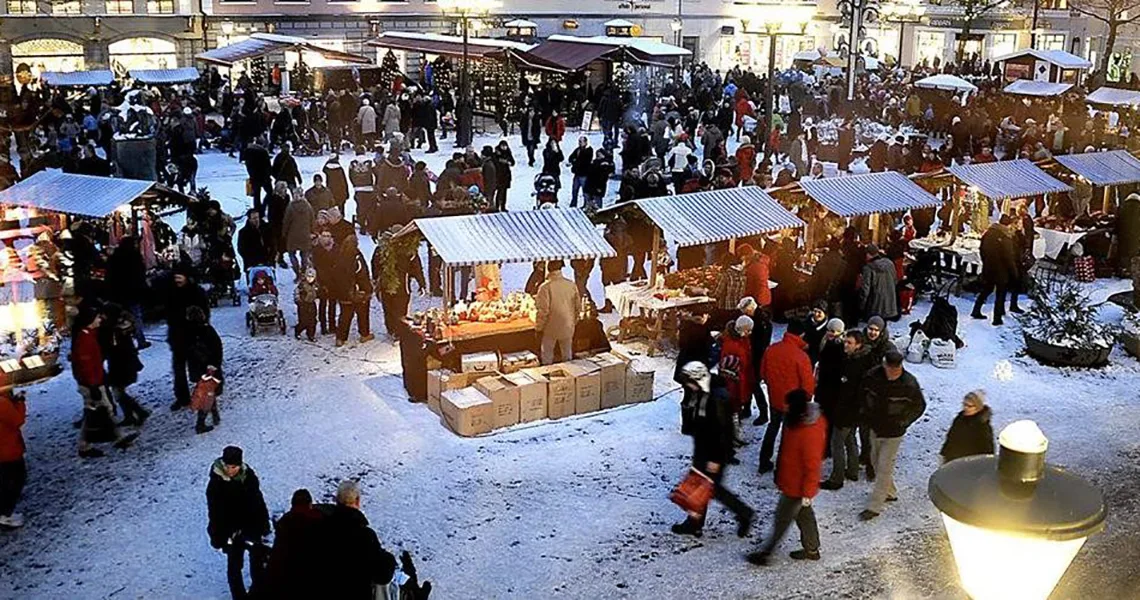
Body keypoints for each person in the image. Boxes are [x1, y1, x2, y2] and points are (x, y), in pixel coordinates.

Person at [671, 362, 754, 538]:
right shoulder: (703, 393)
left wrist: (716, 459)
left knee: (712, 488)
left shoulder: (717, 399)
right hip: (703, 448)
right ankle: (695, 523)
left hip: (713, 453)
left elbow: (722, 432)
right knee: (702, 486)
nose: (688, 386)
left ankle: (743, 514)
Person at [746, 389, 826, 565]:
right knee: (804, 514)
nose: (784, 407)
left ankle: (765, 553)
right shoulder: (802, 422)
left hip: (796, 486)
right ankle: (812, 549)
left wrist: (807, 492)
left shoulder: (805, 431)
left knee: (782, 520)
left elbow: (812, 466)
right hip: (793, 481)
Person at [859, 349, 926, 521]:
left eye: (896, 369)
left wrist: (904, 421)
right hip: (876, 428)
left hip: (894, 432)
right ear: (884, 365)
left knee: (884, 466)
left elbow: (919, 406)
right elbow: (863, 394)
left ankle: (875, 506)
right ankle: (890, 492)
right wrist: (865, 413)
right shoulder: (872, 377)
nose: (893, 373)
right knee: (874, 461)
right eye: (890, 368)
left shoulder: (909, 384)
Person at [206, 445, 271, 600]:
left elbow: (258, 501)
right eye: (227, 466)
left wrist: (263, 523)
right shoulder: (216, 484)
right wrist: (219, 536)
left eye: (233, 467)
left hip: (251, 526)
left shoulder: (249, 477)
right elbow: (215, 513)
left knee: (257, 561)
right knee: (234, 566)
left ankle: (258, 592)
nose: (230, 470)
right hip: (231, 532)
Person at [317, 480, 398, 599]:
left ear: (336, 500)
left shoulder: (320, 528)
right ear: (358, 501)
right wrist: (389, 559)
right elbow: (382, 575)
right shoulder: (365, 536)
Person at [72, 305, 135, 457]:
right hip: (91, 383)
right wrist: (93, 384)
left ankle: (115, 437)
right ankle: (88, 444)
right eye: (97, 317)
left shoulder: (88, 335)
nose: (100, 319)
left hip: (92, 381)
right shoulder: (85, 339)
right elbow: (86, 364)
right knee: (100, 410)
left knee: (97, 410)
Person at [820, 329, 876, 490]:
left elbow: (848, 392)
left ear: (858, 345)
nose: (845, 345)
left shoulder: (854, 365)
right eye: (845, 341)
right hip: (856, 411)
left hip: (847, 410)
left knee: (837, 442)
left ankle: (836, 478)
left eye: (849, 343)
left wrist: (840, 411)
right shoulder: (862, 359)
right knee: (850, 439)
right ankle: (852, 470)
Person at [758, 319, 816, 474]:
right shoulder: (801, 356)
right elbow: (807, 384)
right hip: (793, 402)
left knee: (772, 426)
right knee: (787, 435)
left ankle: (764, 460)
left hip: (774, 397)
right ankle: (781, 467)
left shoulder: (771, 349)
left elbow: (763, 373)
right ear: (802, 335)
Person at [265, 489, 324, 598]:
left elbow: (276, 559)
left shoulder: (284, 525)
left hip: (289, 582)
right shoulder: (320, 522)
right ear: (310, 504)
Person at [167, 266, 210, 411]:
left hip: (194, 336)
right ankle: (182, 397)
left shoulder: (197, 293)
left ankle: (203, 393)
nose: (177, 279)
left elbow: (204, 314)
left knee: (198, 368)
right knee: (178, 369)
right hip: (177, 336)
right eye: (175, 276)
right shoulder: (171, 293)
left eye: (180, 276)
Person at [372, 225, 425, 337]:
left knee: (390, 308)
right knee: (398, 309)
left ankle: (393, 330)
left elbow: (374, 265)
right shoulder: (408, 250)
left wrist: (376, 278)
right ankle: (396, 331)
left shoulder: (382, 249)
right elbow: (416, 268)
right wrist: (421, 283)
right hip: (399, 285)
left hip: (389, 284)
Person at [102, 305, 149, 427]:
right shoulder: (120, 329)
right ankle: (131, 415)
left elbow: (113, 348)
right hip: (123, 363)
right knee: (119, 391)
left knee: (118, 392)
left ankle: (139, 412)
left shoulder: (113, 331)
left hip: (121, 364)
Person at [972, 216, 1021, 326]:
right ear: (1007, 225)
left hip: (989, 266)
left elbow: (981, 249)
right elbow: (1008, 257)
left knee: (987, 289)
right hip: (1001, 270)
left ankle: (976, 309)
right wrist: (1014, 272)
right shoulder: (1005, 237)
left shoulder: (988, 233)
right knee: (1001, 293)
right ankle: (997, 318)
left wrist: (985, 261)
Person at [185, 306, 223, 434]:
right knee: (208, 395)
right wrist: (214, 364)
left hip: (197, 369)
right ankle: (201, 423)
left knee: (208, 392)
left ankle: (214, 413)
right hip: (209, 368)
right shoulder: (207, 330)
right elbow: (218, 348)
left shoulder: (187, 333)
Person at [535, 260, 580, 365]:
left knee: (547, 355)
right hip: (568, 326)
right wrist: (573, 322)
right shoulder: (571, 284)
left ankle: (548, 374)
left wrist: (538, 328)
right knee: (567, 355)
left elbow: (543, 311)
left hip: (551, 328)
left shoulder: (545, 287)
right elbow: (577, 307)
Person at [333, 235, 373, 347]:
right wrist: (367, 289)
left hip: (343, 293)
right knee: (363, 313)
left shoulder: (339, 256)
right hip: (357, 291)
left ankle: (341, 338)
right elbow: (362, 274)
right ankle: (364, 334)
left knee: (345, 316)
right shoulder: (357, 257)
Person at [718, 315, 754, 438]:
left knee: (736, 407)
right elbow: (730, 364)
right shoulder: (732, 344)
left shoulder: (740, 339)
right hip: (733, 381)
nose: (750, 333)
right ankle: (731, 435)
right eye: (748, 330)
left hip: (739, 379)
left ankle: (735, 433)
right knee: (732, 407)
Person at [940, 390, 995, 463]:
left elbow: (987, 451)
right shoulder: (960, 418)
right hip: (952, 460)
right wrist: (944, 453)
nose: (965, 408)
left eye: (969, 406)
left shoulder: (983, 427)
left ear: (978, 407)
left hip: (968, 464)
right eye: (964, 404)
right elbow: (951, 436)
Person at [0, 388, 26, 529]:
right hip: (8, 449)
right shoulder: (2, 403)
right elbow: (18, 420)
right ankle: (5, 514)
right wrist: (20, 403)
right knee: (16, 479)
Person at [860, 243, 898, 322]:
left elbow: (865, 290)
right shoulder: (890, 263)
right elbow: (895, 280)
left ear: (868, 254)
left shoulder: (868, 268)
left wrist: (861, 306)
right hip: (889, 303)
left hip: (875, 305)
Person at [281, 187, 315, 277]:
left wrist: (284, 233)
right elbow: (312, 219)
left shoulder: (290, 207)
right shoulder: (308, 206)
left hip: (293, 235)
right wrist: (312, 231)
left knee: (292, 254)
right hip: (305, 234)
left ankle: (297, 273)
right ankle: (304, 271)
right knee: (304, 254)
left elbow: (286, 221)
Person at [241, 136, 273, 213]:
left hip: (254, 177)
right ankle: (264, 206)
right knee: (270, 193)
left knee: (256, 195)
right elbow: (268, 166)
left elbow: (247, 164)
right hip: (264, 177)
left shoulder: (248, 151)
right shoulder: (263, 152)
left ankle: (258, 210)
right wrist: (269, 174)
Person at [568, 136, 593, 208]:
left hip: (584, 174)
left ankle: (586, 204)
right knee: (574, 190)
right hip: (577, 173)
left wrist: (575, 161)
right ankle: (573, 203)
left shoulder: (589, 150)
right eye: (579, 141)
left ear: (585, 142)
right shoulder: (578, 150)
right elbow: (571, 157)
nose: (579, 143)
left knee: (585, 191)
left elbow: (583, 160)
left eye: (581, 141)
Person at [295, 268, 318, 342]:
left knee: (313, 320)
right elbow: (296, 292)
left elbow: (318, 292)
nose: (310, 279)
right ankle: (298, 330)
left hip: (311, 303)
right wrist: (298, 300)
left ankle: (311, 334)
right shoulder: (302, 285)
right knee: (303, 320)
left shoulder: (316, 284)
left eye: (312, 277)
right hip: (303, 304)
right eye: (308, 276)